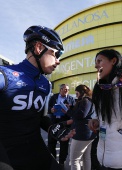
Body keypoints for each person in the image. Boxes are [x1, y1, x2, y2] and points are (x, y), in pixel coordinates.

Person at [0, 25, 75, 170]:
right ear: (39, 48)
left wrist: (51, 127)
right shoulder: (4, 75)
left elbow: (40, 117)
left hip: (35, 149)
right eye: (55, 54)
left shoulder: (45, 84)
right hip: (6, 154)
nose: (58, 61)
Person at [66, 84, 96, 170]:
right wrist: (71, 107)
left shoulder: (85, 101)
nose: (76, 95)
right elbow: (81, 112)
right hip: (88, 133)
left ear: (82, 92)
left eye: (77, 93)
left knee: (74, 160)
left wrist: (68, 111)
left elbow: (81, 114)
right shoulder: (89, 100)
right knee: (86, 158)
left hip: (82, 133)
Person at [47, 84, 75, 166]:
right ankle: (53, 161)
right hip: (54, 123)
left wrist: (69, 108)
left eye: (68, 90)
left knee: (64, 145)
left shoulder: (71, 99)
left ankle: (61, 162)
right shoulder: (53, 97)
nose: (67, 91)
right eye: (65, 89)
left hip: (65, 124)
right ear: (61, 89)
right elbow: (48, 108)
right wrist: (51, 110)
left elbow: (74, 112)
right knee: (51, 143)